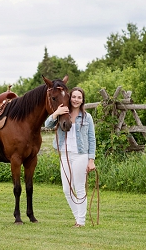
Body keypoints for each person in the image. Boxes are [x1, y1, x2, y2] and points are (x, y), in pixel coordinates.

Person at [45, 87, 96, 227]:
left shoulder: (87, 117)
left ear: (82, 100)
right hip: (65, 154)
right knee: (66, 190)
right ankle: (77, 218)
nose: (76, 100)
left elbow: (92, 139)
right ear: (69, 98)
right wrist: (56, 113)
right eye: (74, 97)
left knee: (79, 188)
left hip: (81, 155)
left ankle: (81, 221)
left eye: (79, 97)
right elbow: (47, 125)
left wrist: (91, 160)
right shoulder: (63, 114)